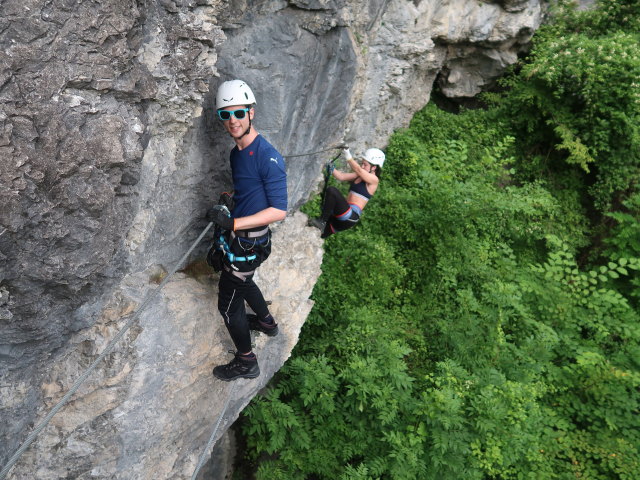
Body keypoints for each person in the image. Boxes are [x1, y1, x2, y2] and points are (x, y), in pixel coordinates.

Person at [206, 79, 287, 381]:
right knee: (243, 282)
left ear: (251, 112)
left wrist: (234, 223)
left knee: (228, 305)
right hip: (243, 241)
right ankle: (266, 322)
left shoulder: (268, 158)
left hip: (249, 243)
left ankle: (246, 361)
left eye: (238, 113)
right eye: (225, 115)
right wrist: (234, 201)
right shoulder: (237, 153)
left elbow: (279, 210)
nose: (232, 121)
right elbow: (249, 189)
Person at [309, 147, 385, 238]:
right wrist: (331, 168)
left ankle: (322, 221)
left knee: (332, 191)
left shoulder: (374, 180)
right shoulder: (359, 175)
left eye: (365, 164)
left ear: (374, 167)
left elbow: (358, 170)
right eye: (362, 164)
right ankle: (322, 223)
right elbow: (341, 177)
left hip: (351, 216)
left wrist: (348, 155)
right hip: (343, 215)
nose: (362, 166)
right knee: (317, 235)